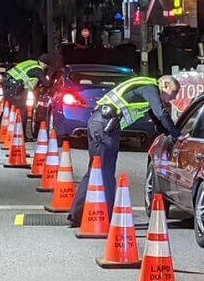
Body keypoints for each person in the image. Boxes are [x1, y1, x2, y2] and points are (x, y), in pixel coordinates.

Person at [68, 75, 182, 227]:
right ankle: (106, 218)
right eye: (173, 93)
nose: (172, 99)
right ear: (165, 85)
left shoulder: (144, 89)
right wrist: (177, 135)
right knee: (106, 173)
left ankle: (76, 215)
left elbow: (156, 118)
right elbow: (161, 113)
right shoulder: (151, 88)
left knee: (95, 171)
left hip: (99, 122)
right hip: (106, 126)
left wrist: (168, 133)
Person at [0, 53, 52, 139]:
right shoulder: (38, 69)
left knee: (8, 109)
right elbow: (46, 83)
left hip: (9, 83)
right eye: (46, 66)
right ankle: (22, 135)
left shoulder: (31, 63)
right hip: (14, 87)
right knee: (22, 112)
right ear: (44, 64)